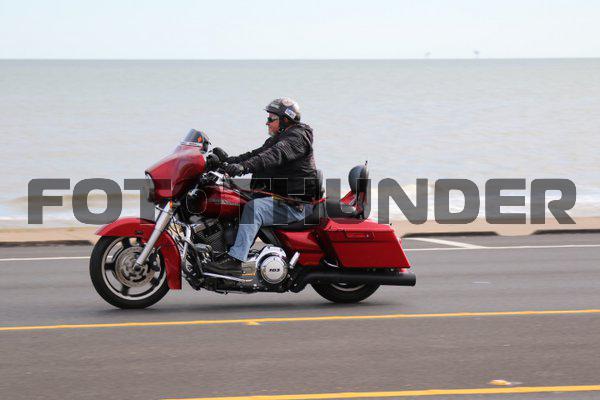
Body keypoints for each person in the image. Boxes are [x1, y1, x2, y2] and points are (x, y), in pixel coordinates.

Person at [206, 97, 319, 275]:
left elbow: (273, 155)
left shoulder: (297, 138)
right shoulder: (280, 137)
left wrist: (243, 168)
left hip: (295, 205)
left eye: (271, 118)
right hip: (281, 198)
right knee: (235, 198)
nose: (267, 122)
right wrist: (225, 162)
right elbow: (255, 154)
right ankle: (222, 250)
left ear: (285, 120)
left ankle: (235, 261)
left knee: (254, 208)